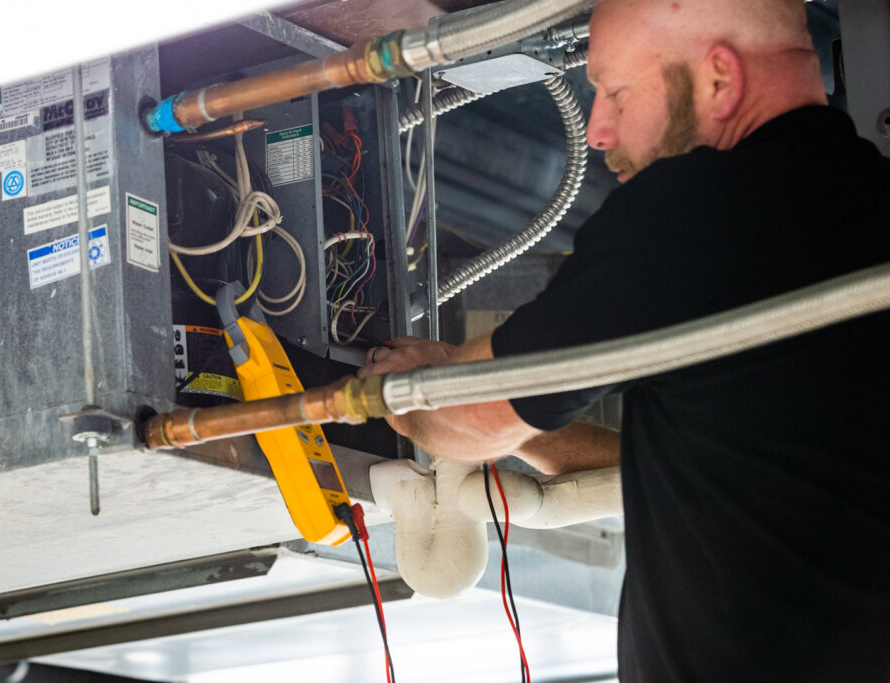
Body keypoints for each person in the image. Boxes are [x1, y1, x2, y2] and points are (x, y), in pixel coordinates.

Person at [360, 0, 890, 680]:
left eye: (613, 92)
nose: (599, 129)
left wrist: (390, 387)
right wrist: (518, 423)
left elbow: (462, 415)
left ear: (720, 81)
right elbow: (698, 453)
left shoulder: (698, 211)